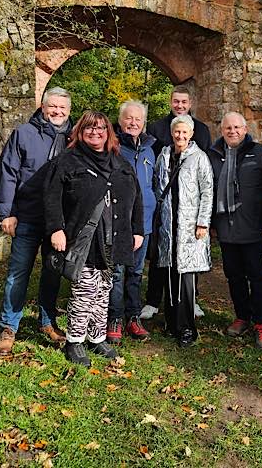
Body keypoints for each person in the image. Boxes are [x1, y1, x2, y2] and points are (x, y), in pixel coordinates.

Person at [44, 111, 144, 367]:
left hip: (114, 236)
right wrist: (56, 229)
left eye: (100, 128)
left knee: (103, 291)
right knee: (85, 290)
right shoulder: (68, 161)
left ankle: (97, 336)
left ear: (108, 132)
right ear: (80, 131)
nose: (95, 132)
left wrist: (137, 230)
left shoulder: (120, 163)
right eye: (89, 128)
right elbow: (52, 196)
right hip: (84, 237)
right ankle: (75, 341)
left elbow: (137, 198)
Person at [0, 87, 72, 355]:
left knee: (52, 272)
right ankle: (9, 326)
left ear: (68, 111)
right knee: (18, 272)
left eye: (62, 108)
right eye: (53, 107)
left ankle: (47, 321)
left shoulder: (73, 138)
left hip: (56, 221)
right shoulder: (24, 134)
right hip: (26, 215)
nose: (57, 112)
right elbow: (8, 172)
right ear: (43, 106)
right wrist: (6, 212)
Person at [207, 111, 262, 350]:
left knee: (257, 277)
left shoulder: (259, 153)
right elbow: (208, 192)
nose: (232, 131)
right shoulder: (214, 154)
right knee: (234, 276)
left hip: (254, 228)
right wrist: (212, 224)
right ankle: (242, 316)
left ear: (245, 129)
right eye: (228, 128)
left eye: (237, 127)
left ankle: (261, 324)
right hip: (226, 229)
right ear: (222, 130)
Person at [142, 85, 212, 320]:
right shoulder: (157, 127)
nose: (179, 105)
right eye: (176, 101)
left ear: (190, 103)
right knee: (160, 254)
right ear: (171, 102)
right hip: (165, 206)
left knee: (187, 257)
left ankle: (191, 301)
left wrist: (203, 219)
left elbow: (205, 179)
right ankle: (153, 301)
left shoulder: (201, 130)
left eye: (184, 102)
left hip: (189, 208)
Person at [154, 115, 213, 347]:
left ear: (191, 134)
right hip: (169, 224)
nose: (180, 136)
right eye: (177, 132)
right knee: (170, 275)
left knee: (186, 279)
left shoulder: (199, 158)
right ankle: (171, 323)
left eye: (184, 132)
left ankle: (187, 328)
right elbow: (157, 186)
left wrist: (203, 222)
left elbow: (207, 191)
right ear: (172, 133)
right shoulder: (165, 155)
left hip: (190, 226)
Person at [106, 101, 156, 345]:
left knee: (136, 273)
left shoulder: (149, 148)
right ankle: (114, 318)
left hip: (144, 223)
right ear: (121, 120)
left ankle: (133, 316)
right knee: (117, 273)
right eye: (129, 118)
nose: (133, 123)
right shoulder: (112, 147)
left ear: (143, 122)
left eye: (138, 119)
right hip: (120, 223)